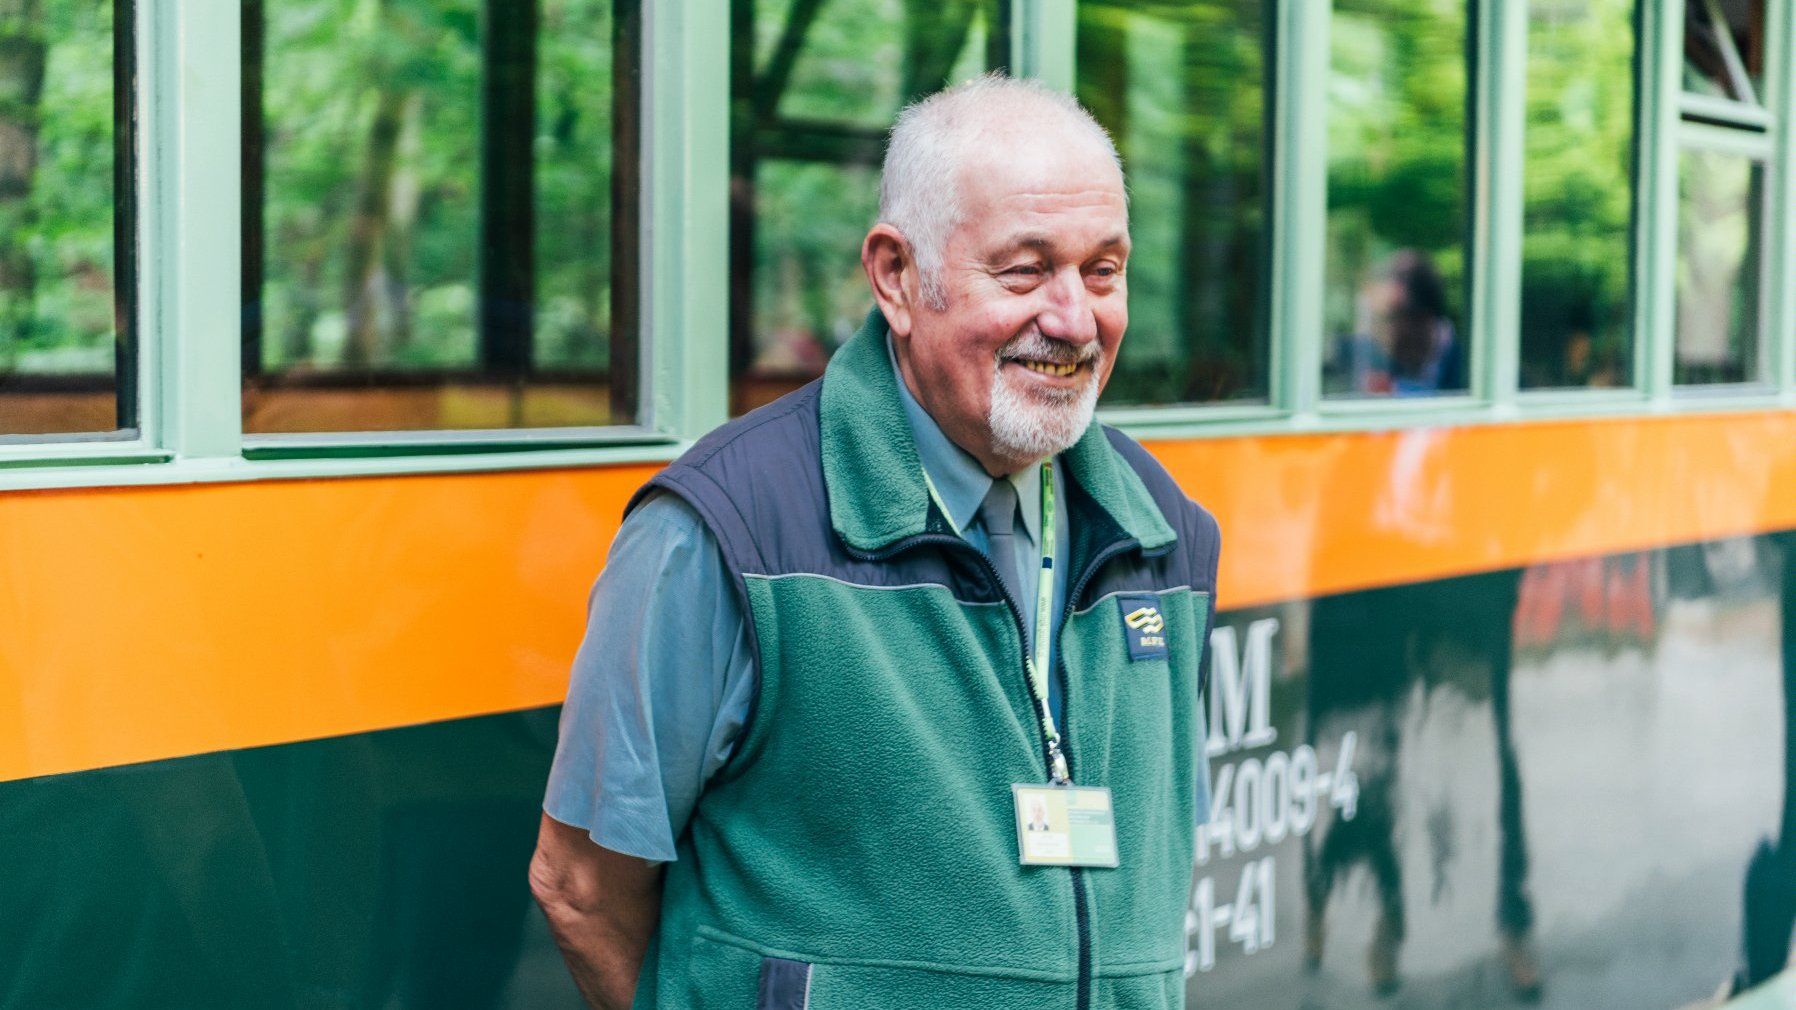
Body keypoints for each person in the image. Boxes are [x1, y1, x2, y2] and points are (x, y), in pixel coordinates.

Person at [528, 74, 1221, 1010]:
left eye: (1103, 270)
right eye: (1024, 269)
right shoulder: (724, 530)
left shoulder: (1165, 531)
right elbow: (581, 888)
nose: (1073, 319)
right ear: (897, 276)